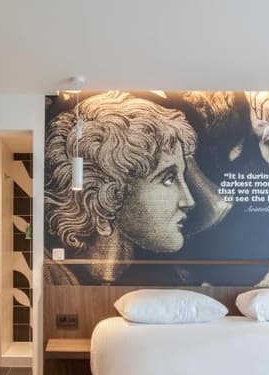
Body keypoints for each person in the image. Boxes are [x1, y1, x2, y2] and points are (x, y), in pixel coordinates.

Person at [45, 91, 199, 282]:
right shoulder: (51, 278)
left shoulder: (170, 280)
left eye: (181, 177)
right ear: (108, 195)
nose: (189, 201)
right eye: (167, 179)